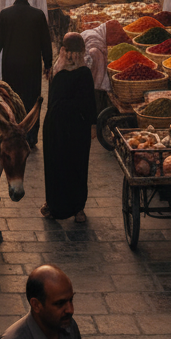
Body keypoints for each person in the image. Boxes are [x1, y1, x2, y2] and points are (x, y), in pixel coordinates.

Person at [0, 0, 53, 146]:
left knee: (12, 99)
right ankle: (30, 137)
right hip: (32, 66)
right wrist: (48, 64)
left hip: (11, 66)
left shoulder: (5, 15)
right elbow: (46, 42)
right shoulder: (38, 16)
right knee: (32, 100)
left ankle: (12, 133)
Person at [41, 34, 99, 222]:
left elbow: (52, 103)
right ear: (82, 51)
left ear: (63, 50)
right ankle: (77, 209)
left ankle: (54, 205)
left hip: (57, 126)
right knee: (77, 167)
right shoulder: (84, 73)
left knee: (56, 165)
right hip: (76, 127)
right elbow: (91, 103)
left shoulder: (58, 71)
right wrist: (93, 125)